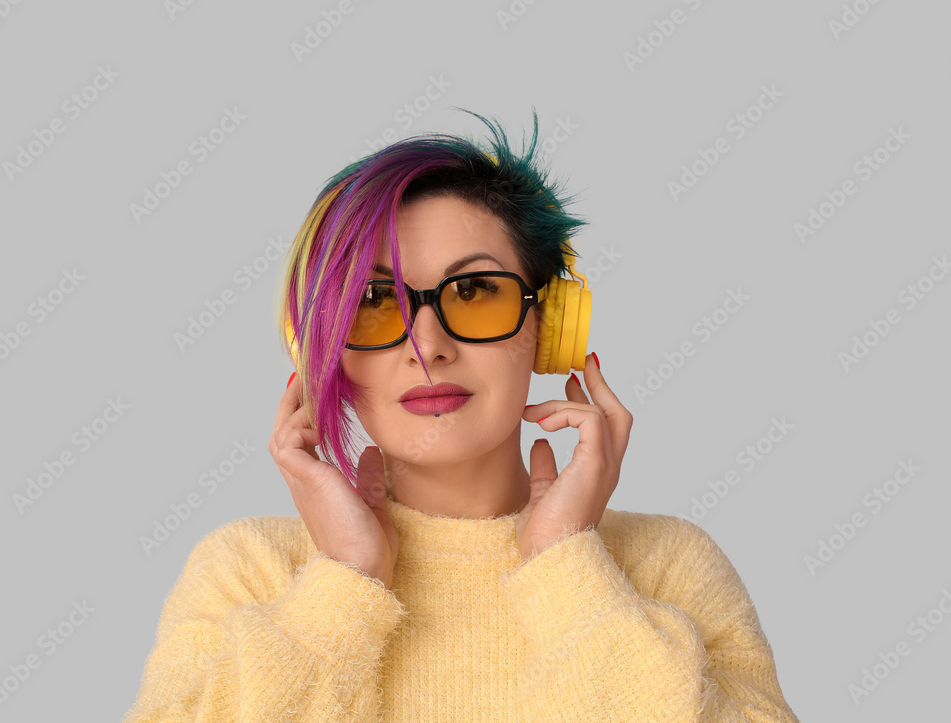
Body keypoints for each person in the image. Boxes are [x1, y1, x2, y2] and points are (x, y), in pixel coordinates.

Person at [123, 109, 799, 721]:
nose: (428, 345)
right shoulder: (250, 573)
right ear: (327, 352)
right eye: (375, 301)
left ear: (550, 327)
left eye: (474, 290)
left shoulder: (667, 567)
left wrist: (567, 570)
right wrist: (346, 582)